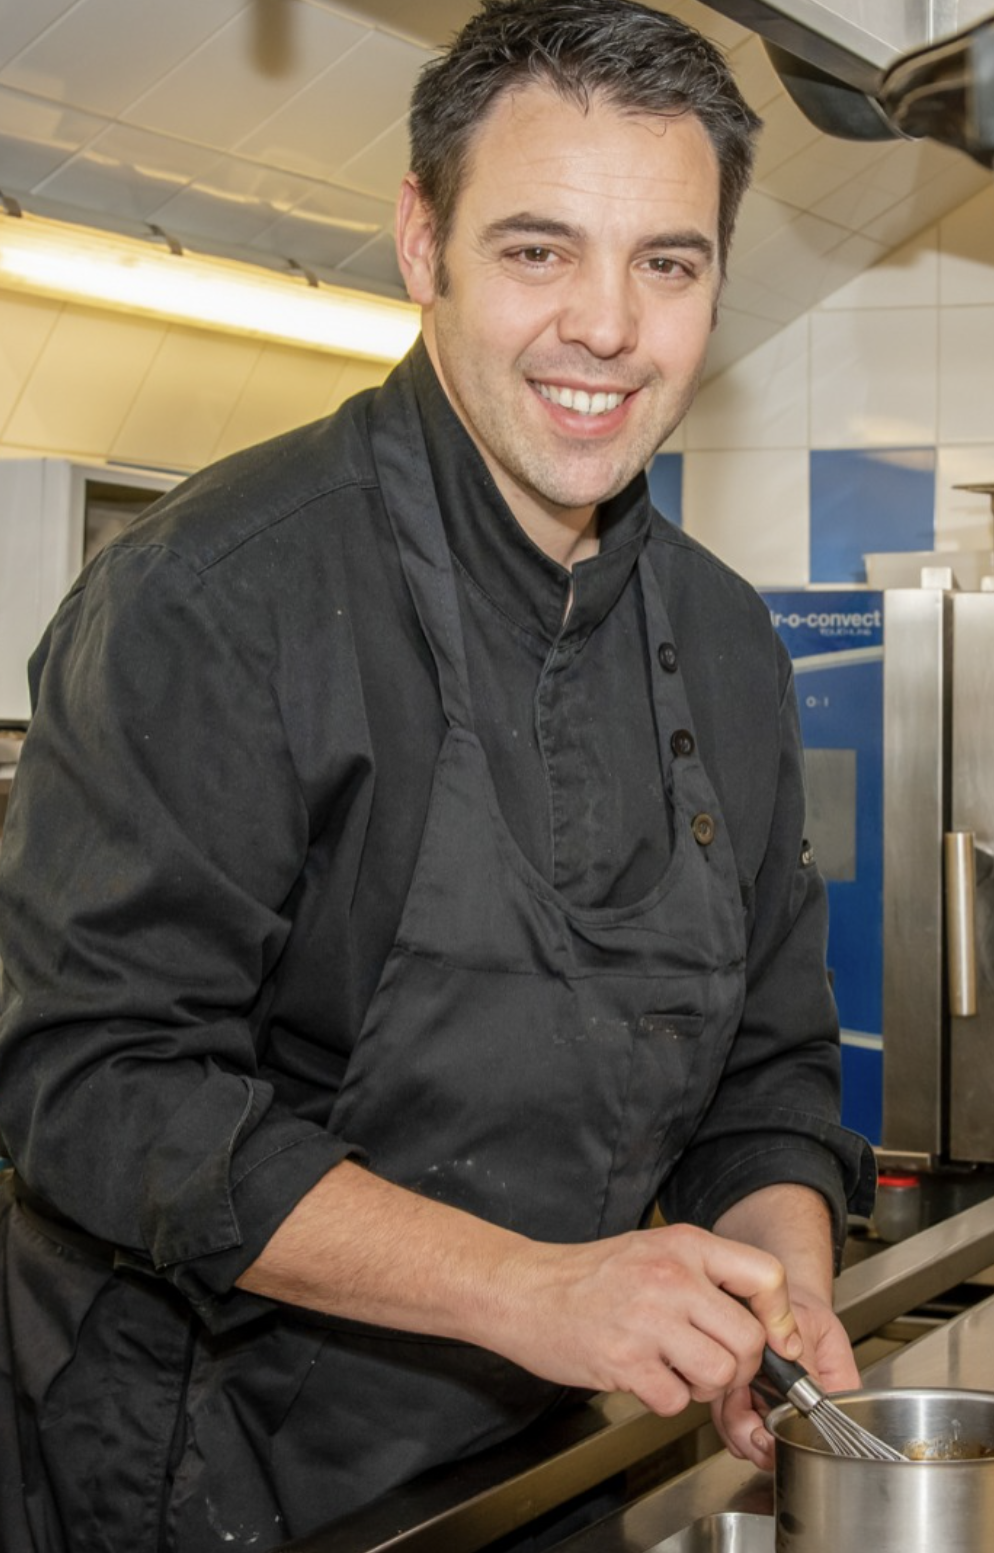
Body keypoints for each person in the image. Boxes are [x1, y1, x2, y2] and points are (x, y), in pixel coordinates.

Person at [0, 1, 875, 1548]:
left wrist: (778, 1283)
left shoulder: (727, 644)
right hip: (197, 1472)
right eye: (539, 250)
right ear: (424, 245)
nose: (606, 325)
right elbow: (98, 1087)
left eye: (665, 263)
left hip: (534, 1455)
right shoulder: (217, 600)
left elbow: (767, 1072)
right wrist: (532, 1288)